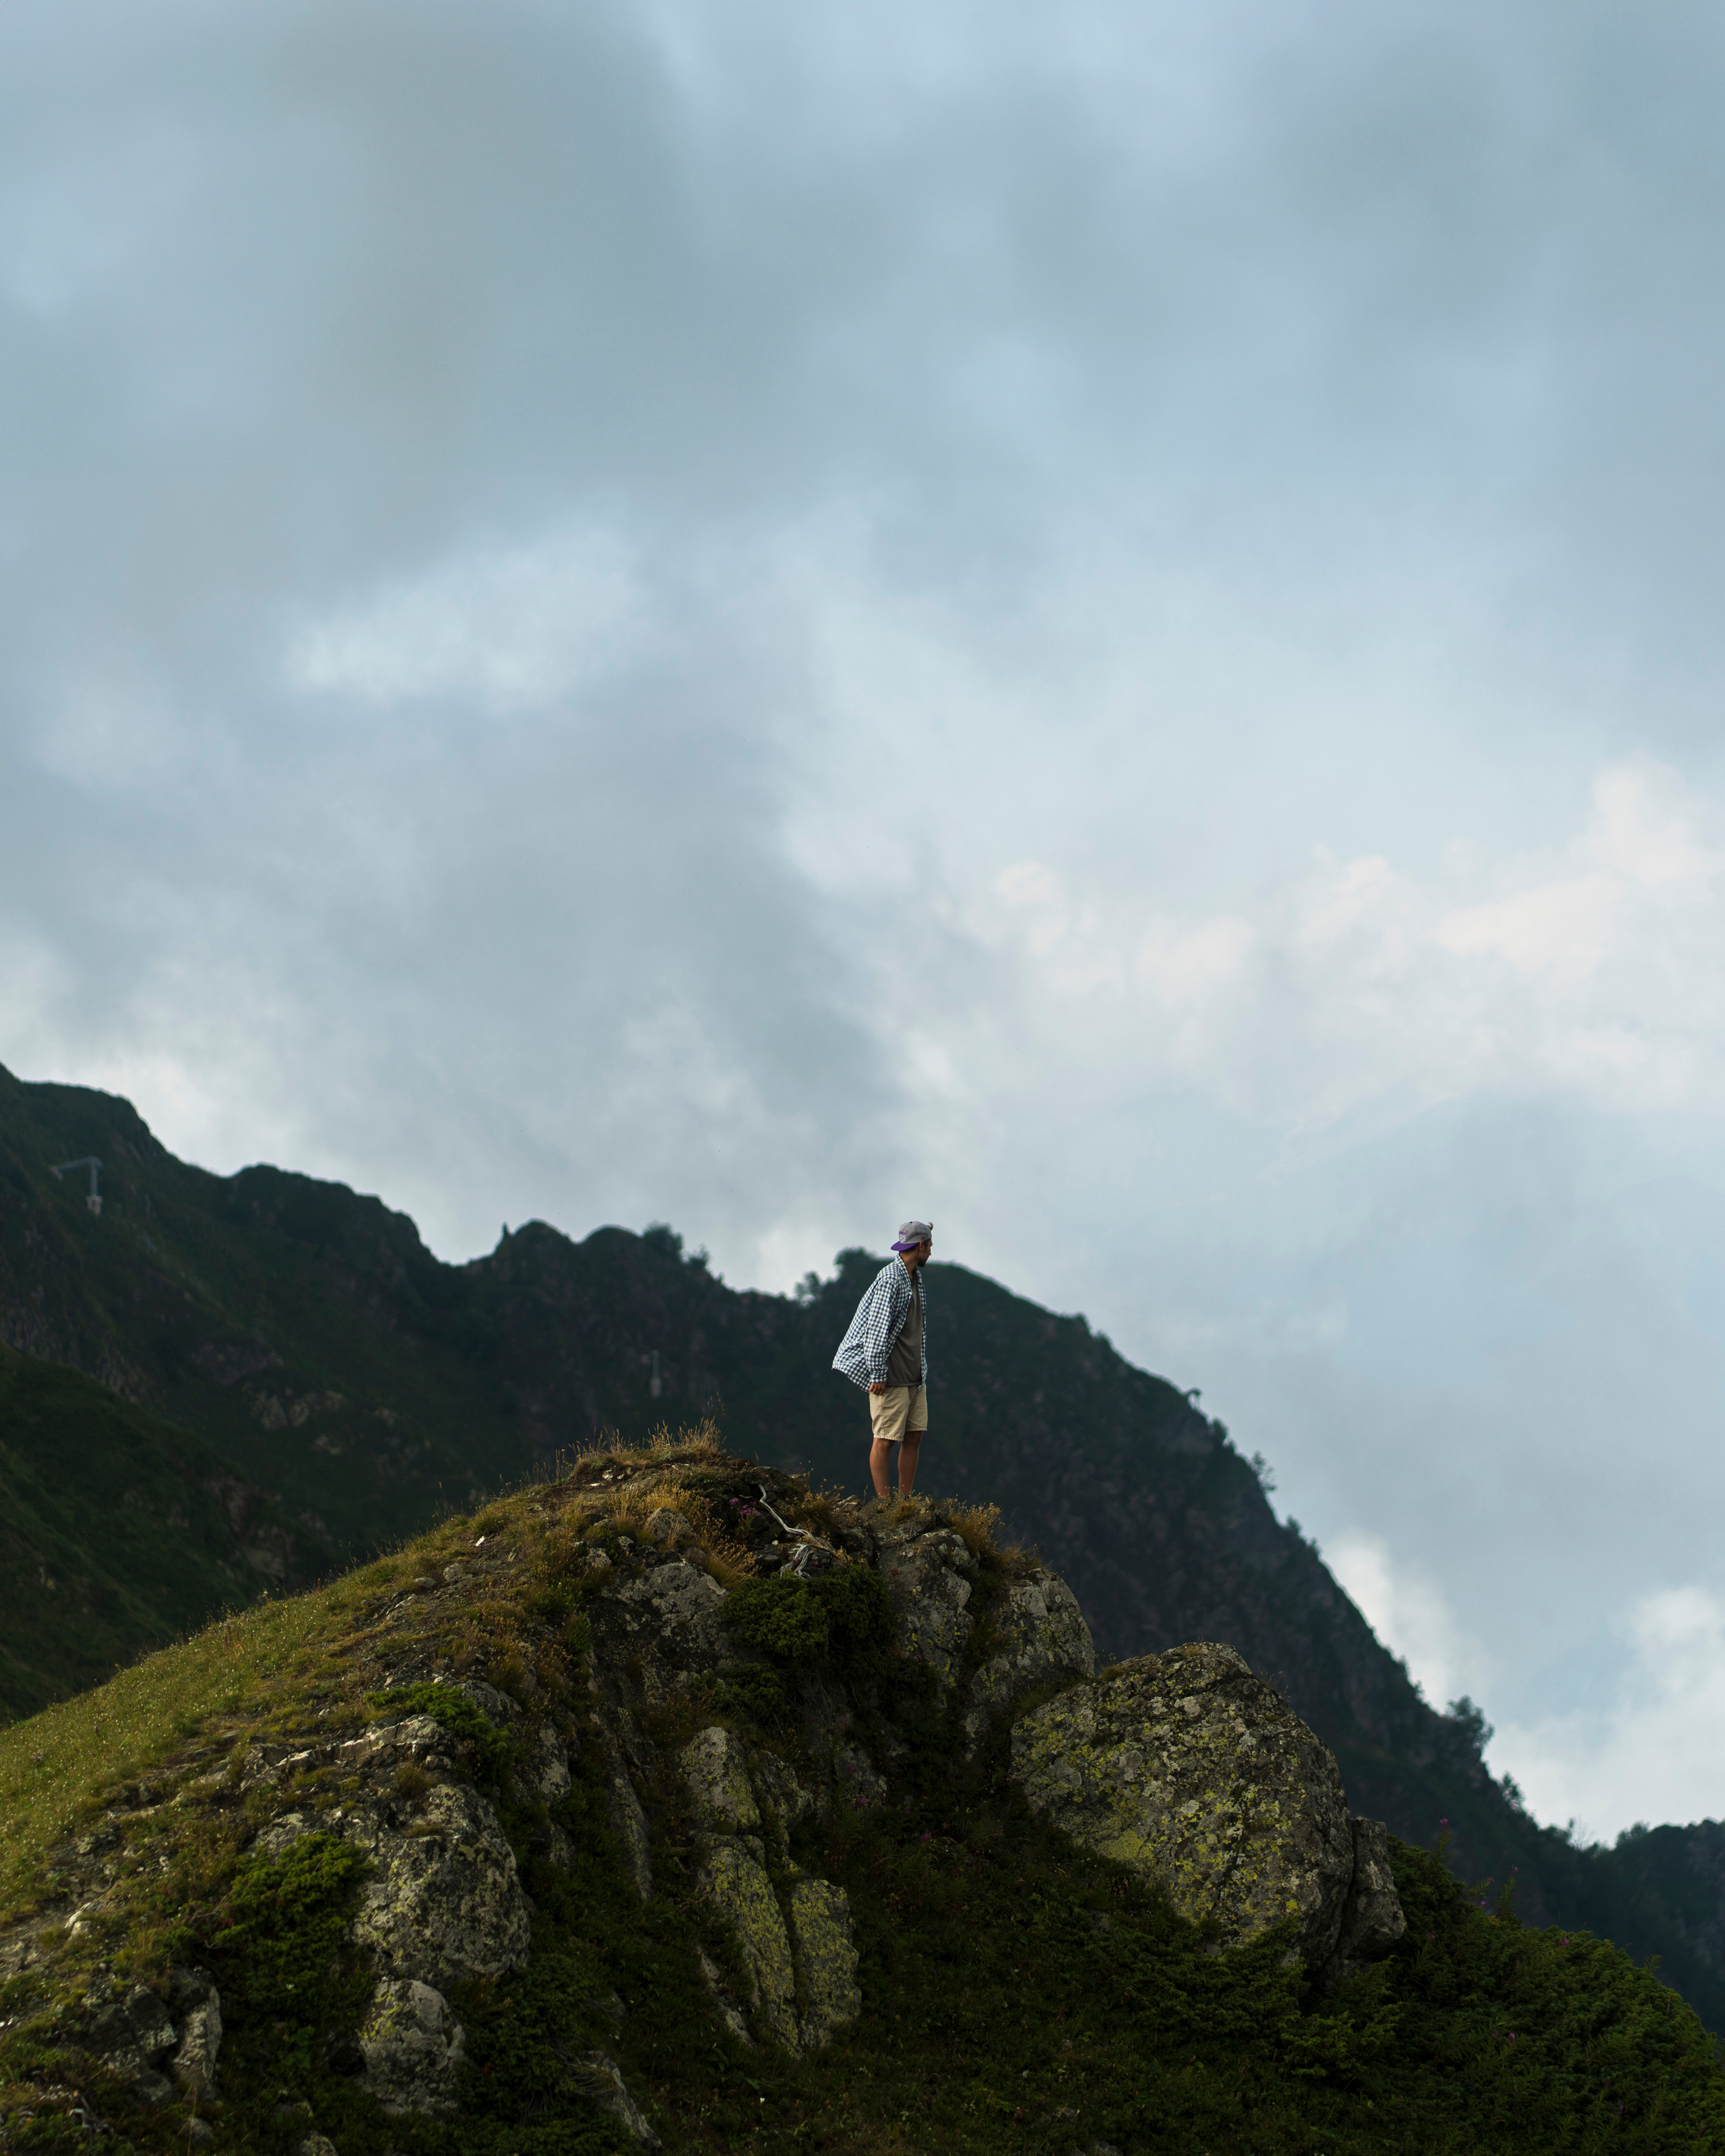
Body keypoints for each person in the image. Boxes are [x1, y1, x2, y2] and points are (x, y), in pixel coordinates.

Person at [832, 1221, 933, 1499]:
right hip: (891, 1378)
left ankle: (904, 1501)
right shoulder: (891, 1279)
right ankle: (885, 1506)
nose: (932, 1251)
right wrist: (877, 1374)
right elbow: (875, 1332)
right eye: (930, 1245)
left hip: (915, 1377)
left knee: (913, 1438)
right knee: (885, 1440)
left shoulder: (914, 1278)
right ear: (921, 1246)